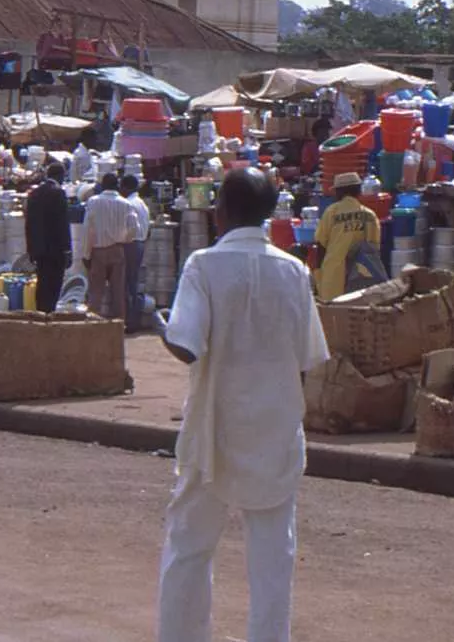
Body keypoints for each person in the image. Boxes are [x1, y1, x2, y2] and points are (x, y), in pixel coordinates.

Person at [156, 167, 330, 642]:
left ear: (221, 213)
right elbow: (307, 358)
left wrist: (159, 326)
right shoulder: (294, 271)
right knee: (273, 558)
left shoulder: (202, 266)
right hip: (274, 432)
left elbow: (187, 345)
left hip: (214, 432)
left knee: (189, 547)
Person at [313, 172, 385, 302]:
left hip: (334, 276)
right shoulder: (370, 215)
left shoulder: (331, 212)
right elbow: (374, 249)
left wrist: (318, 274)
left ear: (339, 192)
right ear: (358, 191)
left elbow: (321, 246)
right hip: (362, 276)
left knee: (333, 316)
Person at [82, 173, 136, 320]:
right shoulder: (126, 204)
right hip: (117, 250)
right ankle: (118, 327)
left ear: (103, 186)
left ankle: (94, 328)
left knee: (96, 294)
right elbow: (133, 229)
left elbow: (88, 230)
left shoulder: (93, 202)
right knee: (118, 292)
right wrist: (124, 240)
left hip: (98, 251)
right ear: (117, 186)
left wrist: (86, 254)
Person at [25, 162, 73, 313]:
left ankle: (40, 314)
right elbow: (62, 224)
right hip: (55, 249)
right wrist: (67, 250)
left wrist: (31, 249)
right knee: (54, 285)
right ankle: (49, 314)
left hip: (39, 249)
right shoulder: (58, 193)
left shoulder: (34, 194)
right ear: (61, 176)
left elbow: (29, 224)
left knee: (42, 283)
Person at [121, 173, 153, 332]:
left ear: (126, 187)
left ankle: (131, 321)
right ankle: (134, 319)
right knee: (133, 282)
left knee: (128, 284)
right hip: (140, 243)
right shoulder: (142, 204)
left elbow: (128, 228)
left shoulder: (129, 204)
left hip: (131, 244)